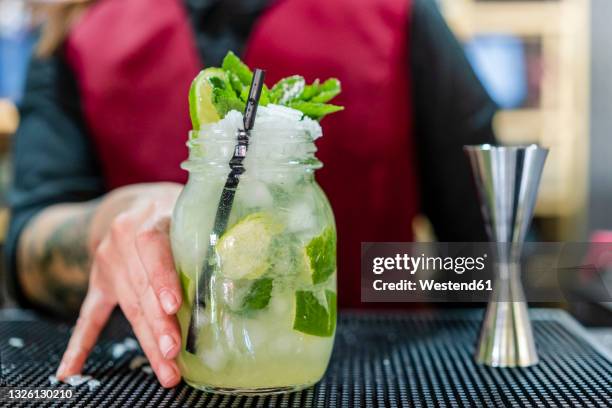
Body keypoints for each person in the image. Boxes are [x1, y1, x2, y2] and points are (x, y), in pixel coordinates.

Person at [6, 0, 496, 388]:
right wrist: (110, 219)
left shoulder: (403, 14)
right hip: (154, 379)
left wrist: (389, 283)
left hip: (387, 379)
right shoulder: (80, 28)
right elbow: (25, 247)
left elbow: (482, 259)